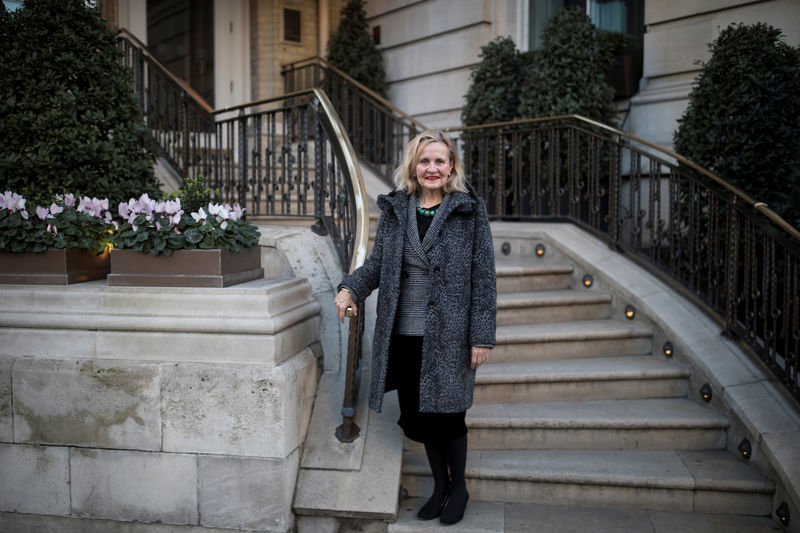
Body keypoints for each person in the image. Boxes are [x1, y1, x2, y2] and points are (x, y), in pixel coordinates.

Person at [334, 129, 496, 525]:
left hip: (450, 333)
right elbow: (375, 265)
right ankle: (440, 485)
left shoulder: (469, 211)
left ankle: (458, 489)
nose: (432, 168)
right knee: (420, 417)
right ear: (413, 166)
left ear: (452, 166)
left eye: (440, 161)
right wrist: (349, 288)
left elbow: (484, 278)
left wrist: (481, 336)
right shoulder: (395, 210)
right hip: (403, 330)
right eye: (425, 161)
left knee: (449, 416)